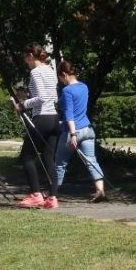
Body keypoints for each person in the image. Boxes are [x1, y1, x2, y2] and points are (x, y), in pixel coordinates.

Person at [14, 42, 59, 209]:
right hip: (54, 117)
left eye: (25, 58)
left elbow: (41, 98)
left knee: (26, 156)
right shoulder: (50, 70)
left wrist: (23, 104)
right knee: (49, 158)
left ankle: (35, 194)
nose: (25, 61)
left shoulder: (36, 72)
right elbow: (52, 96)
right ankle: (52, 197)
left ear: (31, 56)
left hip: (42, 117)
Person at [55, 60, 106, 202]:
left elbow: (69, 114)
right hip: (88, 129)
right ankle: (100, 190)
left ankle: (53, 193)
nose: (61, 81)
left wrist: (72, 134)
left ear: (64, 74)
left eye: (60, 78)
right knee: (91, 161)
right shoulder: (84, 87)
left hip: (72, 131)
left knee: (60, 162)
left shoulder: (67, 91)